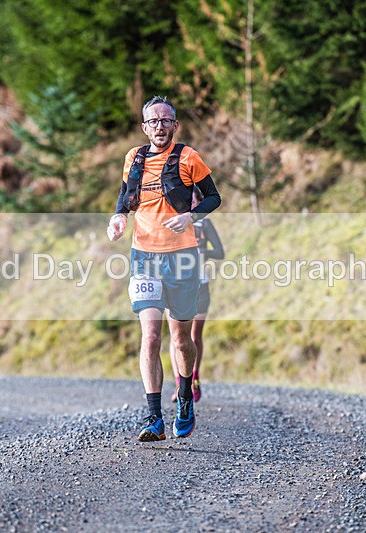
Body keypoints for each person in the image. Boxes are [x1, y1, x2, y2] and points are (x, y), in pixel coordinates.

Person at [107, 95, 221, 441]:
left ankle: (185, 398)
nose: (159, 126)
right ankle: (153, 417)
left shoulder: (189, 157)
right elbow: (126, 194)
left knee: (181, 338)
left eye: (166, 120)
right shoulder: (134, 158)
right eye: (153, 121)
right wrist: (117, 218)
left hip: (183, 257)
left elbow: (214, 196)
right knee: (151, 335)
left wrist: (191, 215)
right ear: (144, 128)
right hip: (144, 256)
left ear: (175, 125)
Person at [169, 188, 224, 403]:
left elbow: (220, 252)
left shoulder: (205, 224)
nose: (189, 203)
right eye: (186, 199)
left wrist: (204, 251)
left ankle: (194, 379)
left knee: (194, 336)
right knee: (176, 338)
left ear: (200, 202)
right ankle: (179, 384)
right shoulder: (172, 221)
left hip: (200, 285)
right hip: (175, 285)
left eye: (193, 199)